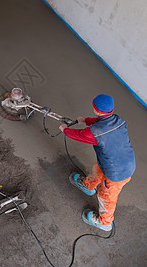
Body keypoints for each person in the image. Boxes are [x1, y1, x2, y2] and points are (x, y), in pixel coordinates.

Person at [59, 94, 135, 231]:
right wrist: (86, 120)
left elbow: (80, 135)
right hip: (121, 160)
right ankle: (88, 185)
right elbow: (102, 123)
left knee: (106, 196)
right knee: (98, 169)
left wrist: (65, 130)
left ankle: (105, 222)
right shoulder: (118, 120)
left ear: (96, 110)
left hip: (118, 174)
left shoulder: (95, 133)